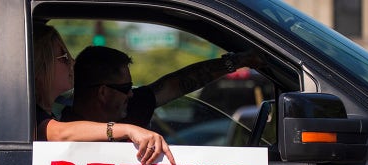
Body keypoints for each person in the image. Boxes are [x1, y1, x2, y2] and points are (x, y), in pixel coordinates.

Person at [33, 24, 174, 165]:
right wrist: (128, 130)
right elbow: (59, 133)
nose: (72, 62)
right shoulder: (30, 116)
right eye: (63, 57)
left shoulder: (42, 114)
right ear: (42, 64)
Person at [63, 45, 263, 127]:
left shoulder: (129, 108)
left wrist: (237, 62)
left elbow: (178, 83)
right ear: (103, 92)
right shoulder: (60, 134)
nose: (131, 94)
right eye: (125, 89)